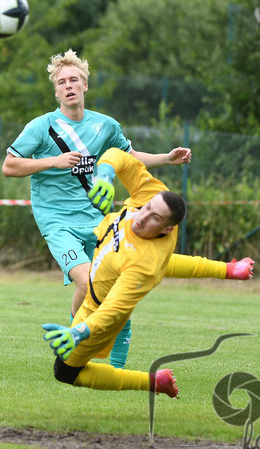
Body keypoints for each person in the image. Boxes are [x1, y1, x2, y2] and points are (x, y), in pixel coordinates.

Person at [3, 48, 253, 369]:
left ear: (85, 85)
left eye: (74, 80)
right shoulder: (42, 126)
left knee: (117, 285)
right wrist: (54, 161)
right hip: (57, 221)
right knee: (88, 282)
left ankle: (115, 365)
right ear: (56, 91)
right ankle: (75, 338)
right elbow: (9, 166)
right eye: (62, 82)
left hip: (98, 219)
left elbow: (130, 157)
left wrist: (167, 158)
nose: (68, 86)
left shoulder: (105, 125)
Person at [41, 147, 197, 398]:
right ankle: (153, 379)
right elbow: (119, 155)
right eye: (147, 208)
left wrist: (78, 332)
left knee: (66, 370)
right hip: (91, 265)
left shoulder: (145, 259)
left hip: (99, 311)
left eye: (154, 216)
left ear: (167, 229)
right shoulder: (150, 198)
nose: (143, 216)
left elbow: (114, 309)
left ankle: (148, 379)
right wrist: (104, 176)